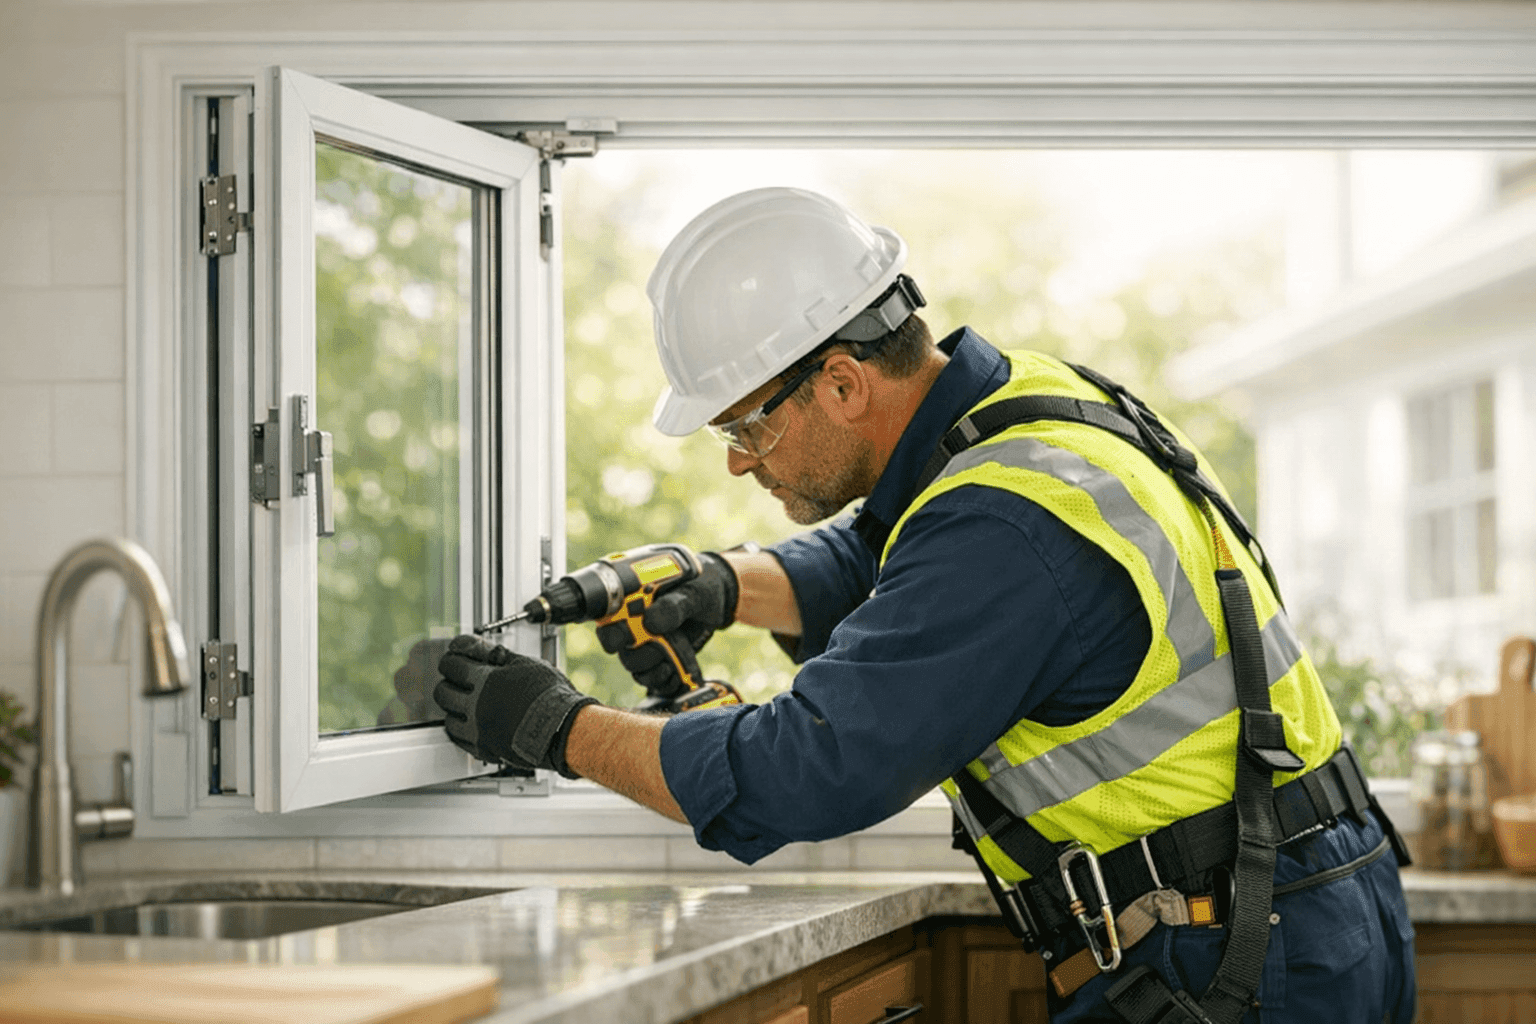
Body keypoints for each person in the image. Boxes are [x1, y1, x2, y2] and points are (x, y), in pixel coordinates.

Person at [434, 187, 1416, 1023]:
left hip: (1239, 948)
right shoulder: (1032, 411)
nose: (737, 458)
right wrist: (724, 583)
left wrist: (555, 727)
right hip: (1297, 902)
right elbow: (885, 561)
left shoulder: (1001, 529)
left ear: (845, 382)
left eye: (746, 425)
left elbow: (809, 769)